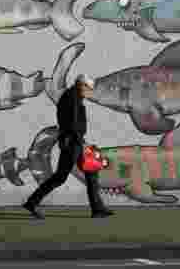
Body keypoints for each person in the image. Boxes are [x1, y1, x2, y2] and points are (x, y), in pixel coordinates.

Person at [23, 74, 113, 219]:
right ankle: (32, 202)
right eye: (89, 88)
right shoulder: (72, 99)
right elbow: (72, 123)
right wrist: (80, 142)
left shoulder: (74, 97)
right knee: (60, 177)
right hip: (72, 143)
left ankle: (98, 208)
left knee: (91, 173)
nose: (90, 92)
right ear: (81, 85)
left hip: (75, 141)